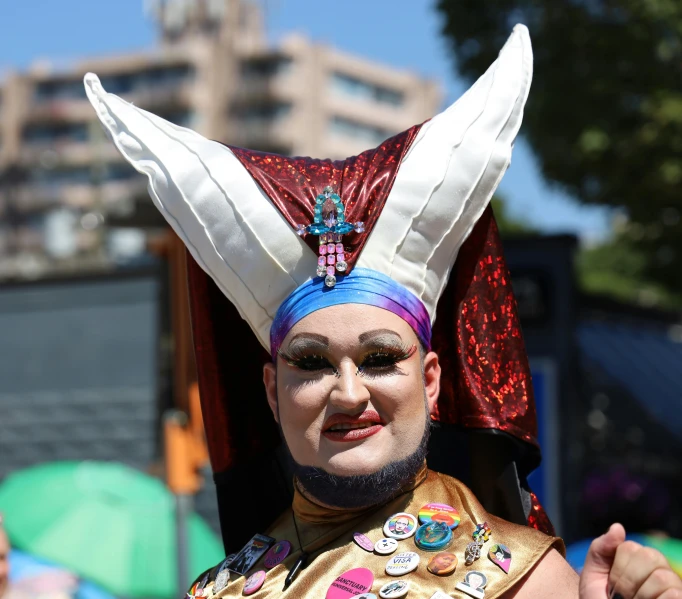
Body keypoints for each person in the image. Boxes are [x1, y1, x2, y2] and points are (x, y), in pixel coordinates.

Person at [84, 24, 682, 599]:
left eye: (378, 359)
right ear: (272, 389)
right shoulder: (223, 590)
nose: (348, 394)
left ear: (430, 379)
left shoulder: (522, 582)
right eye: (313, 364)